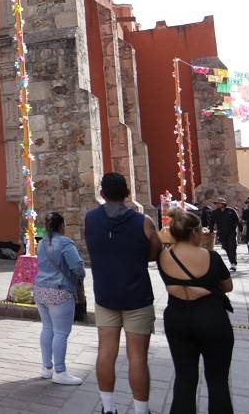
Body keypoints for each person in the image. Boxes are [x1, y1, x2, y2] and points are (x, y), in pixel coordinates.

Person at [84, 172, 162, 414]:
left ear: (102, 194)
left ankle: (108, 408)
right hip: (137, 296)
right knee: (137, 356)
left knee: (106, 352)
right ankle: (141, 409)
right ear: (128, 194)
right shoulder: (144, 222)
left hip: (105, 295)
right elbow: (154, 252)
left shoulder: (90, 219)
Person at [158, 210, 234, 414]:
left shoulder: (163, 256)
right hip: (211, 318)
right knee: (217, 380)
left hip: (177, 319)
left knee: (184, 378)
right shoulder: (211, 256)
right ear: (194, 233)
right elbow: (228, 287)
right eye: (201, 231)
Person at [34, 211, 85, 385]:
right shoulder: (65, 243)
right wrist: (81, 278)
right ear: (61, 225)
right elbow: (77, 266)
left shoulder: (41, 243)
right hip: (59, 290)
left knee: (47, 329)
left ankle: (46, 368)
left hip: (40, 290)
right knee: (61, 332)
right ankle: (60, 371)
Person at [210, 197, 240, 271]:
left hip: (231, 233)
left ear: (223, 204)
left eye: (218, 203)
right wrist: (211, 231)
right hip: (221, 233)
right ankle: (232, 261)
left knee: (232, 247)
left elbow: (237, 220)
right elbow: (211, 222)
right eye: (216, 203)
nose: (217, 204)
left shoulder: (231, 211)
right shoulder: (215, 212)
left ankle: (233, 264)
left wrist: (240, 229)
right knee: (226, 248)